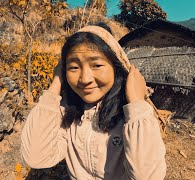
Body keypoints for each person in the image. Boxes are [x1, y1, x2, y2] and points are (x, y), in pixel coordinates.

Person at [20, 25, 166, 180]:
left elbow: (147, 176)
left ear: (116, 67)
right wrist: (55, 84)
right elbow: (35, 157)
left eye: (96, 65)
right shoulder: (68, 112)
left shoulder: (131, 118)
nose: (85, 79)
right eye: (74, 67)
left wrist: (136, 105)